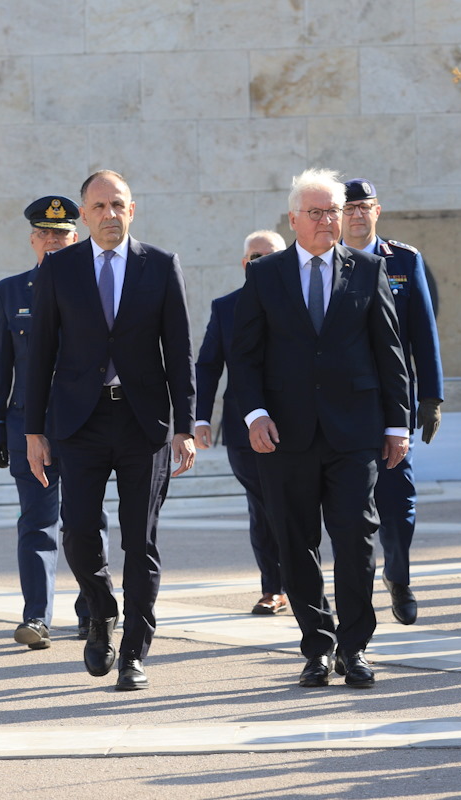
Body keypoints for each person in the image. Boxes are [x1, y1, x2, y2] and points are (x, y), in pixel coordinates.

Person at [229, 167, 410, 689]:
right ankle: (317, 647)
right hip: (285, 435)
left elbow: (390, 351)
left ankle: (354, 648)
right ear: (293, 219)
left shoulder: (368, 269)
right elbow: (244, 356)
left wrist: (397, 423)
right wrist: (255, 414)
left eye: (334, 210)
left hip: (355, 432)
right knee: (295, 542)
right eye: (316, 212)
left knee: (356, 537)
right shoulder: (265, 274)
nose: (328, 220)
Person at [25, 170, 196, 692]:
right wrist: (33, 431)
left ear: (132, 209)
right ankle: (100, 610)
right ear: (84, 214)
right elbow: (40, 353)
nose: (109, 214)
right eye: (99, 206)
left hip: (144, 422)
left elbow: (179, 351)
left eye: (118, 204)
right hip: (80, 422)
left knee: (139, 541)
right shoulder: (59, 268)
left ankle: (134, 653)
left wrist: (185, 426)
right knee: (78, 531)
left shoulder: (160, 265)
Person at [0, 195, 108, 649]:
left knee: (85, 520)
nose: (52, 241)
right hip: (26, 426)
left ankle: (92, 610)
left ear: (77, 239)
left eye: (61, 234)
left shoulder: (98, 285)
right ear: (33, 240)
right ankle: (36, 617)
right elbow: (1, 363)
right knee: (36, 523)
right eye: (44, 234)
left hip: (84, 424)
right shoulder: (11, 290)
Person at [340, 178, 444, 626]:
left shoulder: (403, 260)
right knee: (347, 509)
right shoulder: (322, 261)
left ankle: (398, 578)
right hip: (340, 403)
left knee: (398, 505)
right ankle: (352, 602)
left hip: (391, 404)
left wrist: (432, 396)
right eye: (349, 208)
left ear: (377, 211)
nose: (356, 215)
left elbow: (424, 332)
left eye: (364, 207)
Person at [195, 229, 289, 616]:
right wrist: (200, 418)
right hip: (242, 431)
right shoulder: (226, 308)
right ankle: (274, 588)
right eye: (255, 257)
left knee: (292, 505)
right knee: (263, 505)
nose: (262, 264)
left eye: (271, 257)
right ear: (244, 263)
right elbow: (207, 365)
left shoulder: (302, 301)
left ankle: (300, 583)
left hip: (297, 425)